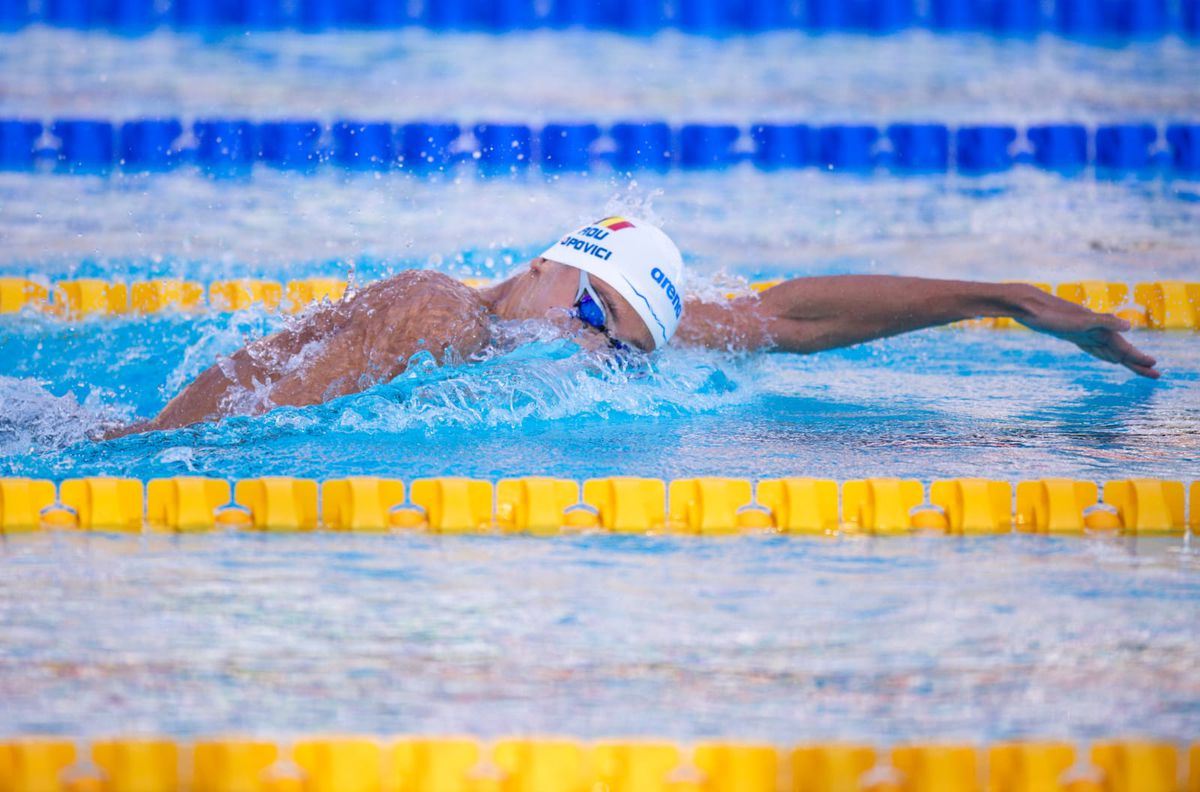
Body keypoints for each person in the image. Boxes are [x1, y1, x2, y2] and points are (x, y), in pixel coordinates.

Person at [109, 215, 1159, 438]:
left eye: (616, 348)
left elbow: (782, 315)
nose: (586, 349)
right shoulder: (436, 314)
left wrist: (1002, 298)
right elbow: (214, 439)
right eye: (587, 313)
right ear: (534, 266)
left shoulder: (581, 328)